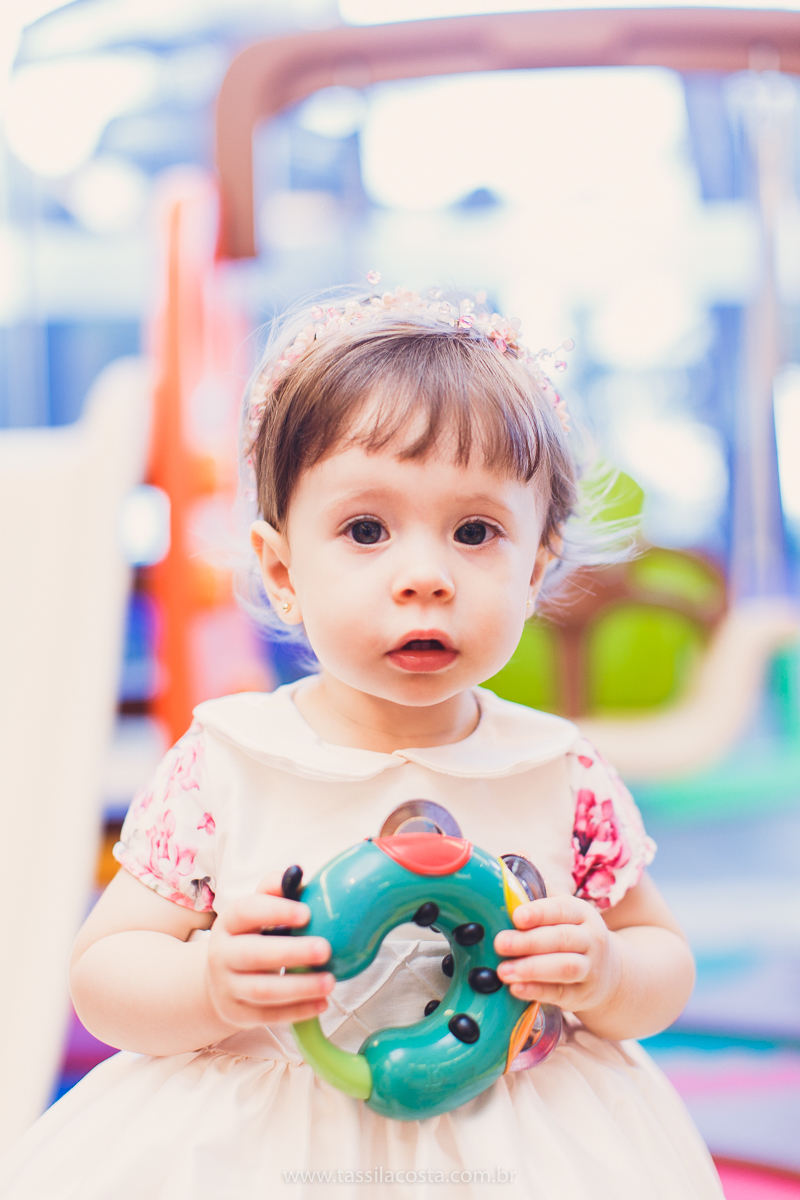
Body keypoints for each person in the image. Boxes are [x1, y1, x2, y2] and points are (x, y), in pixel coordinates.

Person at [0, 282, 724, 1199]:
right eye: (367, 530)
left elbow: (664, 962)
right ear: (281, 568)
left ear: (537, 565)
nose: (424, 576)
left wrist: (608, 969)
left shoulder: (559, 770)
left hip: (517, 1141)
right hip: (266, 1141)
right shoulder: (228, 760)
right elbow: (104, 975)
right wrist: (211, 983)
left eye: (474, 532)